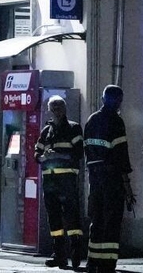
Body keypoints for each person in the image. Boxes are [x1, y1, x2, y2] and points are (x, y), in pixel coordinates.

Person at [83, 85, 135, 273]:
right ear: (118, 100)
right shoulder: (116, 121)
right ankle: (108, 263)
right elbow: (121, 154)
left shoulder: (91, 120)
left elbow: (87, 150)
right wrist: (127, 185)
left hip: (95, 177)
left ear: (102, 98)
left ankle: (93, 261)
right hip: (112, 178)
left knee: (97, 219)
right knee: (112, 221)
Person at [34, 95, 84, 269]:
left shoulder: (73, 128)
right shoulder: (46, 131)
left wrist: (58, 155)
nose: (57, 110)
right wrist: (43, 157)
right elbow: (36, 156)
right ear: (49, 109)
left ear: (65, 108)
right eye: (53, 107)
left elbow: (78, 153)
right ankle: (59, 255)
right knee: (53, 218)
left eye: (60, 106)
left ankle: (76, 252)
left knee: (71, 216)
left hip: (67, 180)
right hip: (50, 180)